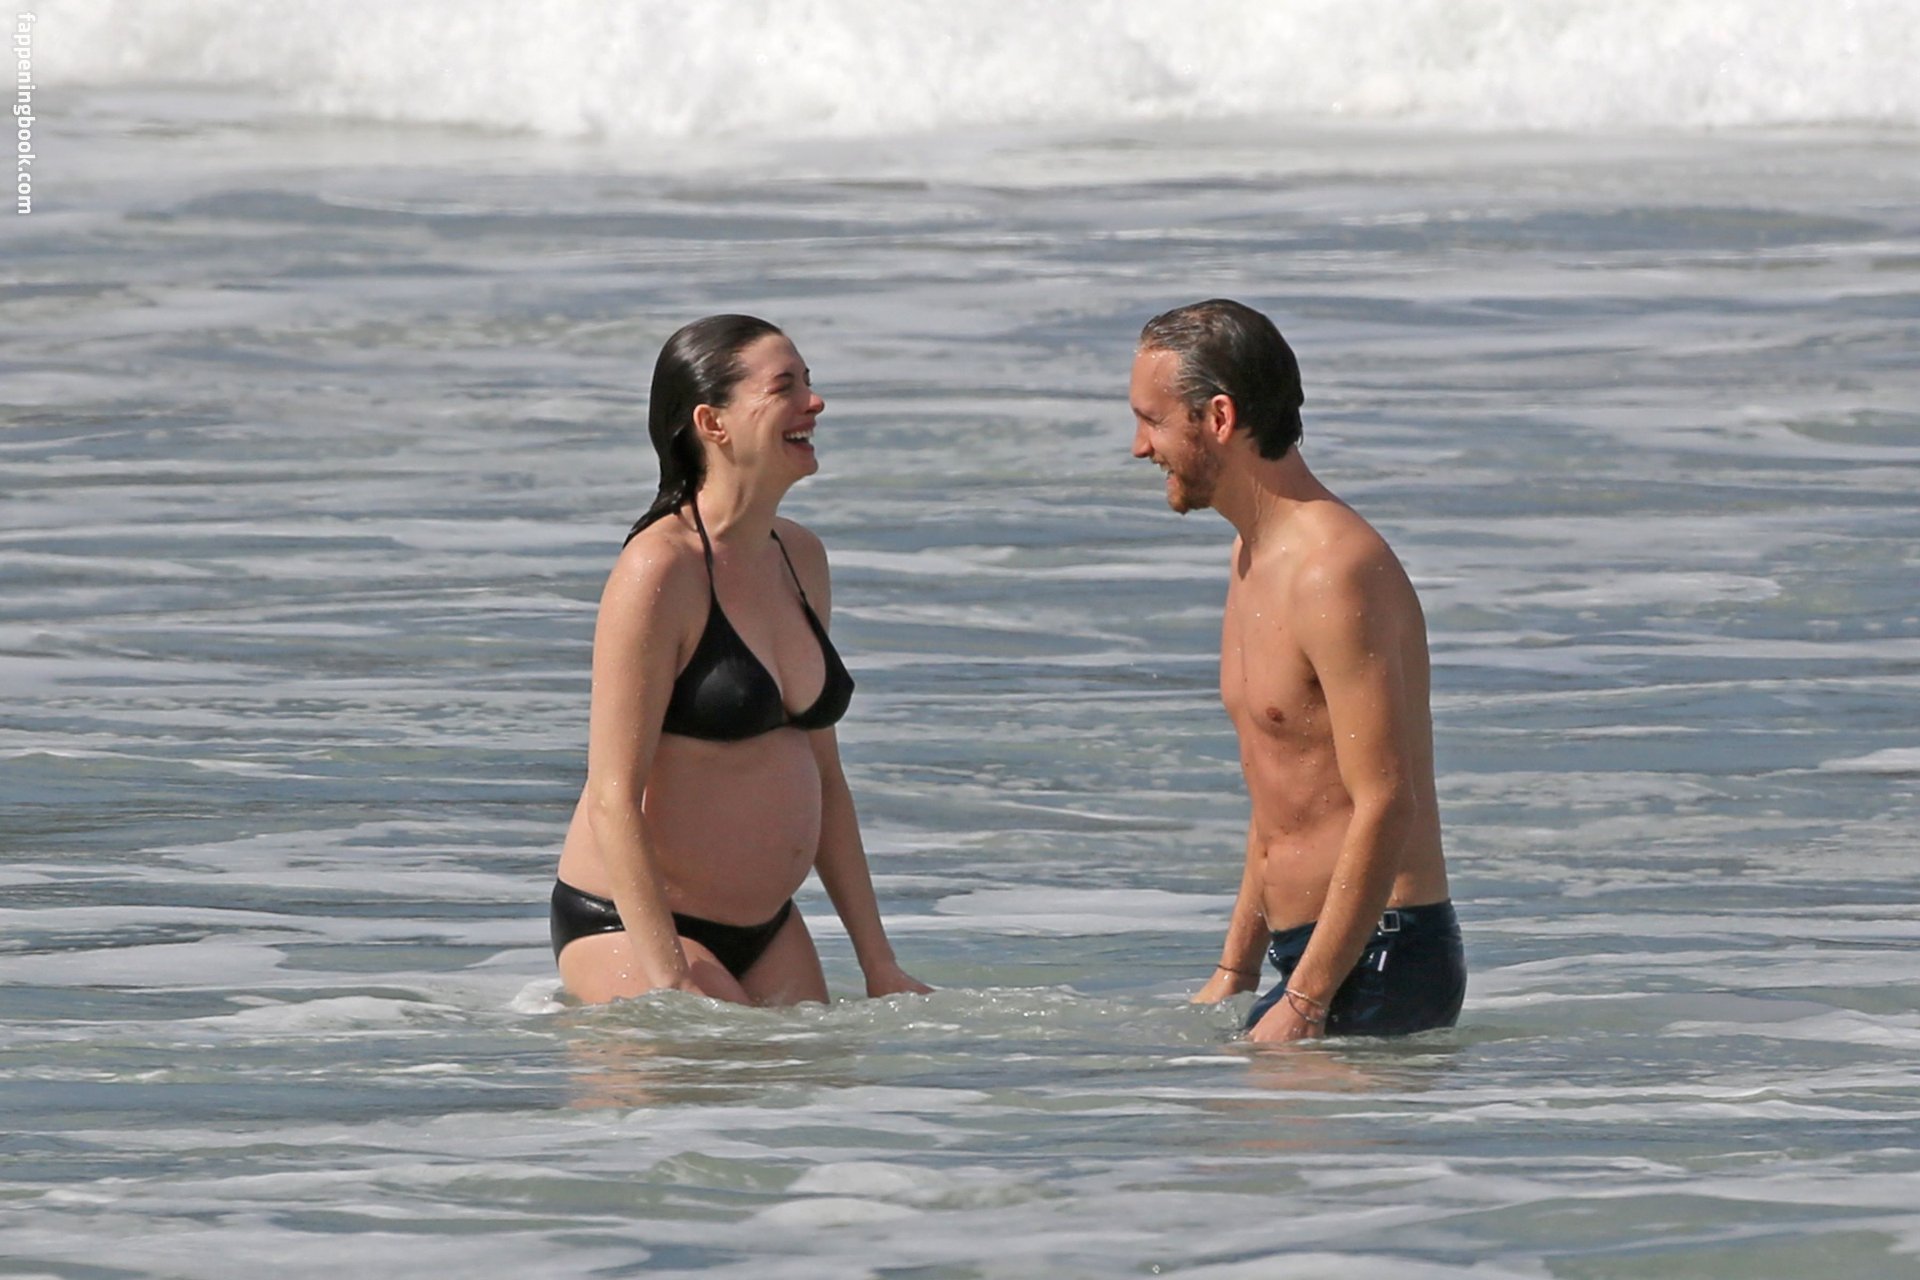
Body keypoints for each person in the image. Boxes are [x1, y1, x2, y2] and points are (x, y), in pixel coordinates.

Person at [552, 314, 929, 1007]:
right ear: (713, 423)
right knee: (714, 1064)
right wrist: (670, 981)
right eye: (786, 387)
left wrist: (880, 964)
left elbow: (826, 778)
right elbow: (612, 796)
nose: (815, 402)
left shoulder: (801, 557)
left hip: (769, 929)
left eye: (810, 382)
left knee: (824, 1078)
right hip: (634, 927)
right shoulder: (659, 569)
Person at [1128, 299, 1464, 1042]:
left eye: (1152, 420)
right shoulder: (1250, 555)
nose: (1139, 447)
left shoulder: (1335, 570)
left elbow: (1387, 801)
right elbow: (1284, 789)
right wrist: (1236, 969)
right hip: (1309, 956)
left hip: (1382, 957)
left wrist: (1306, 1001)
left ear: (1218, 418)